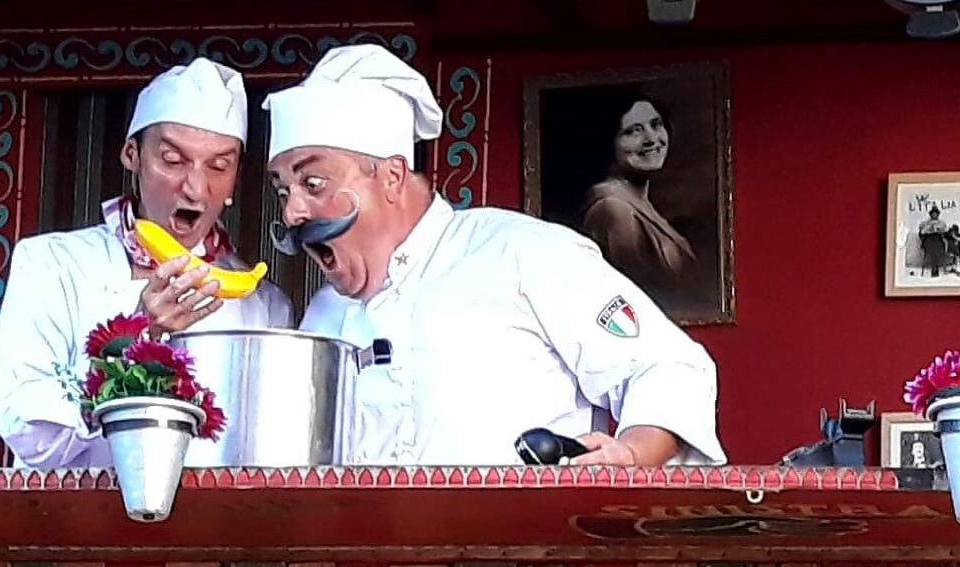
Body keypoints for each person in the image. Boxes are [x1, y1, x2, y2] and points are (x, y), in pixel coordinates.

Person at [262, 44, 724, 466]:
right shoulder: (321, 318)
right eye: (283, 191)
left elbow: (667, 366)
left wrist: (632, 453)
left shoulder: (520, 253)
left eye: (313, 184)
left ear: (392, 177)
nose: (292, 212)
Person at [0, 58, 294, 469]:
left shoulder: (264, 306)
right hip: (70, 509)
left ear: (236, 179)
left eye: (219, 166)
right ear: (131, 154)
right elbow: (29, 434)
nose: (195, 188)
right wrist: (135, 340)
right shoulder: (51, 265)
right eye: (172, 159)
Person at [575, 94, 696, 295]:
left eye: (656, 125)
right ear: (609, 142)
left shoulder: (640, 203)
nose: (651, 139)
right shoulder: (613, 210)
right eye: (633, 131)